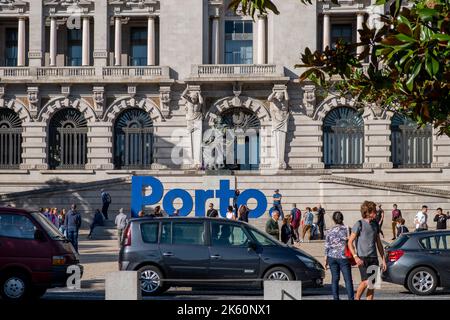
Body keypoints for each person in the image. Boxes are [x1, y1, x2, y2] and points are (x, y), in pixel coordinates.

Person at [348, 201, 387, 300]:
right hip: (362, 258)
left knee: (372, 285)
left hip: (373, 258)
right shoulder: (359, 224)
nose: (376, 213)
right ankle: (357, 298)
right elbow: (350, 242)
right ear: (368, 212)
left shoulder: (375, 225)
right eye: (374, 211)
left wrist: (383, 259)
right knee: (366, 282)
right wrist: (355, 257)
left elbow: (379, 244)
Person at [325, 211, 354, 300]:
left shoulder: (329, 230)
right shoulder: (347, 228)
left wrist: (325, 260)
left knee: (335, 279)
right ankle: (351, 298)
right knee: (348, 280)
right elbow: (351, 242)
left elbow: (327, 245)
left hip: (331, 257)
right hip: (343, 257)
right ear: (342, 218)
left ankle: (336, 298)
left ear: (334, 220)